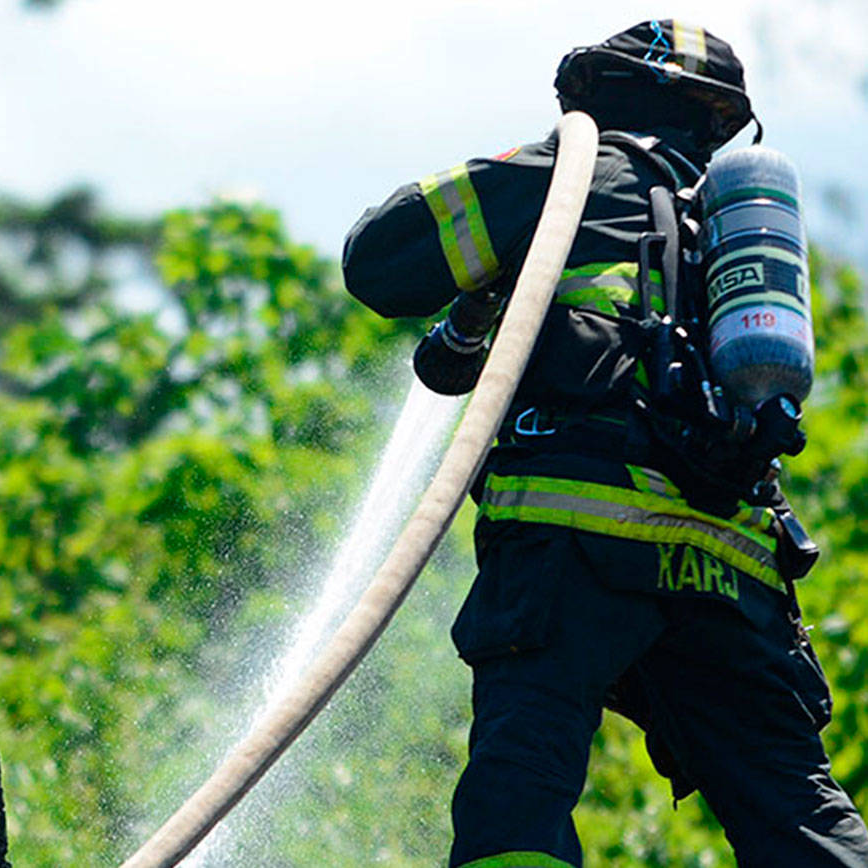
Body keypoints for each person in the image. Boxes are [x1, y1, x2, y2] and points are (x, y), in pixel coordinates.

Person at [341, 20, 868, 868]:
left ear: (603, 90)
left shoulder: (564, 176)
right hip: (732, 556)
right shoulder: (738, 222)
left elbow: (379, 259)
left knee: (521, 789)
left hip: (573, 540)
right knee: (795, 806)